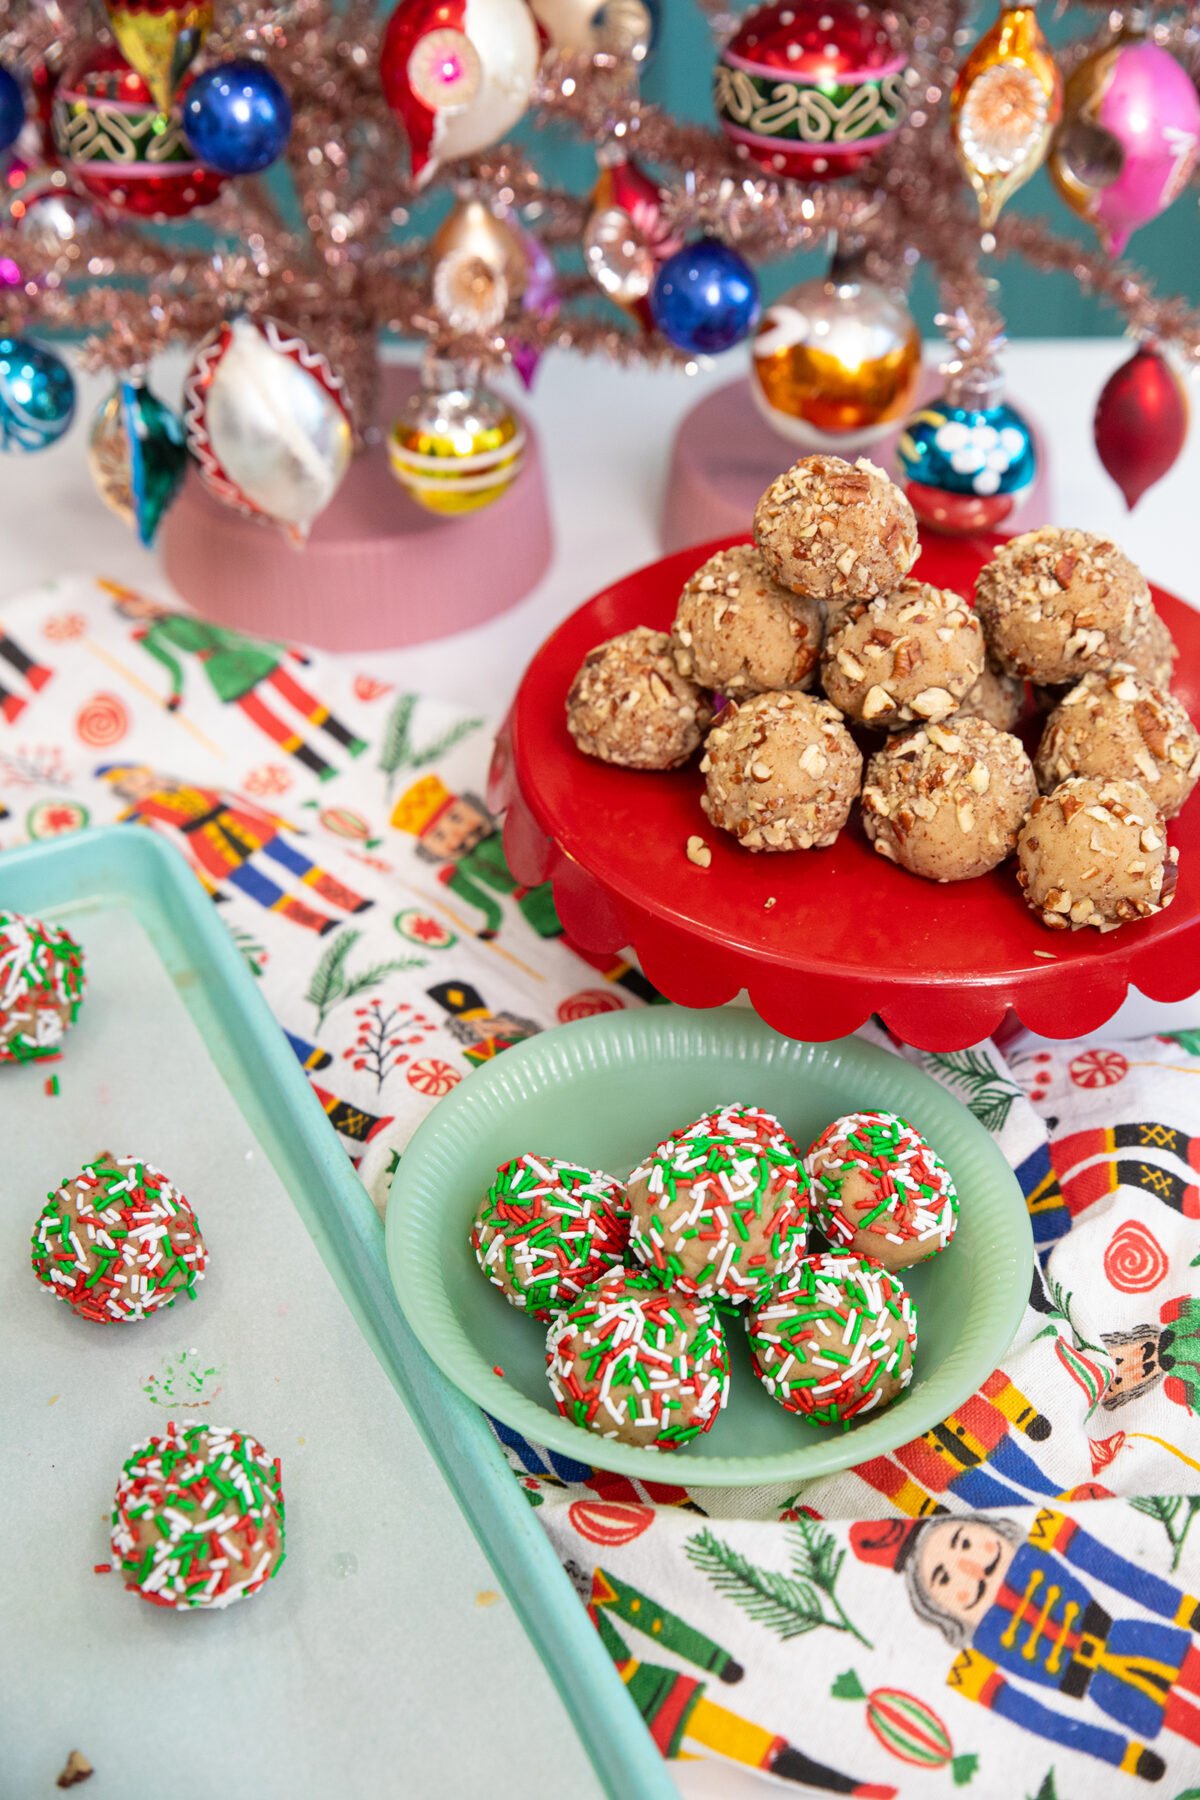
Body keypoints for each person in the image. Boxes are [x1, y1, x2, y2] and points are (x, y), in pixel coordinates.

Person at [852, 1507, 1200, 1780]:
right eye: (944, 1578)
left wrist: (1184, 1609)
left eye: (965, 1542)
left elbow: (1120, 1574)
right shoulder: (978, 1655)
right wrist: (1123, 1755)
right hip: (1111, 1693)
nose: (972, 1569)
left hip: (1136, 1640)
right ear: (938, 1609)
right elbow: (1042, 1720)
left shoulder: (1043, 1541)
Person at [108, 587, 366, 780]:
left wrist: (286, 649)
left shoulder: (185, 605)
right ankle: (319, 768)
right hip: (219, 670)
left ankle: (350, 741)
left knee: (300, 699)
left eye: (138, 600)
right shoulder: (153, 634)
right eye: (133, 608)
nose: (143, 606)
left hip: (241, 651)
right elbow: (172, 665)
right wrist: (176, 694)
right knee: (267, 721)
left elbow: (233, 628)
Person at [98, 762, 371, 935]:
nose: (140, 783)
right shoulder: (142, 813)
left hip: (246, 824)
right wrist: (203, 885)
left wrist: (280, 821)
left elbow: (238, 799)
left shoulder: (188, 786)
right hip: (209, 845)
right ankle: (315, 922)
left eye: (137, 776)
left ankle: (347, 899)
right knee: (259, 886)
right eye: (130, 783)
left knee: (298, 863)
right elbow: (166, 845)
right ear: (126, 792)